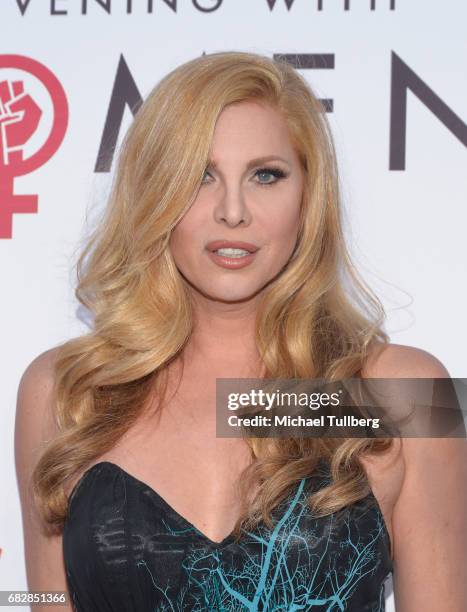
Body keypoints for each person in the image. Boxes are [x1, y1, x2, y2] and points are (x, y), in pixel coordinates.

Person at [15, 51, 466, 611]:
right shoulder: (68, 390)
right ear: (155, 192)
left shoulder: (406, 393)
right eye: (200, 175)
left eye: (266, 175)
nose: (233, 211)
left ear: (308, 197)